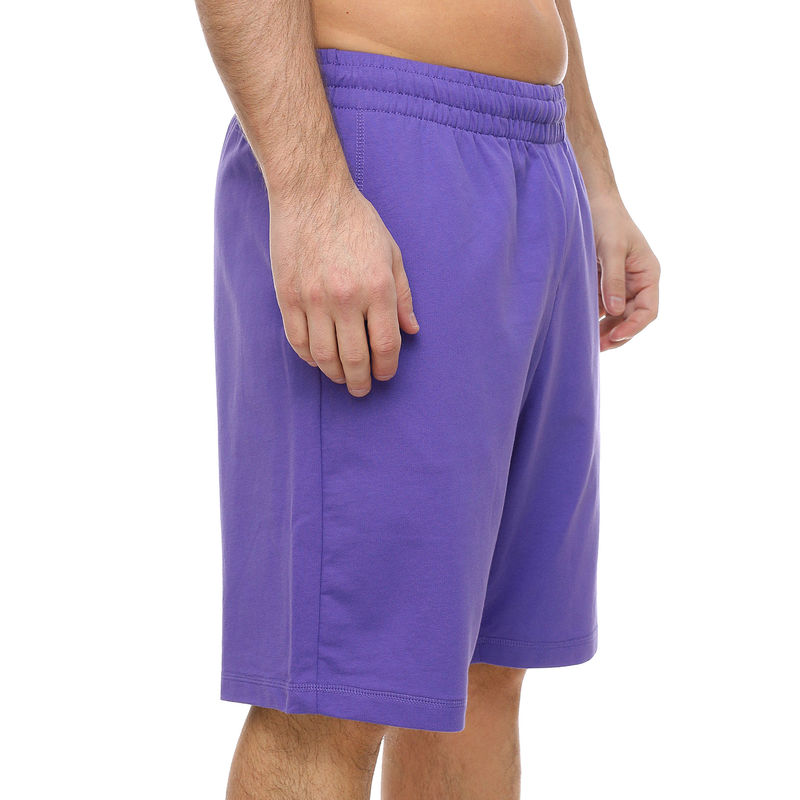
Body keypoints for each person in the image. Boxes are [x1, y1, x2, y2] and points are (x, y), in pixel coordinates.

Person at [195, 0, 660, 796]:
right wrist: (311, 192)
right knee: (335, 695)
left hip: (538, 155)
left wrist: (595, 177)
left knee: (484, 671)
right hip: (378, 147)